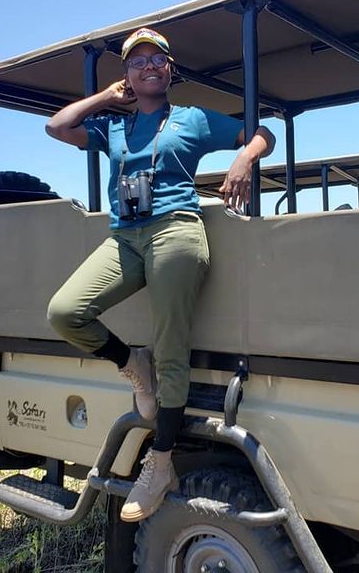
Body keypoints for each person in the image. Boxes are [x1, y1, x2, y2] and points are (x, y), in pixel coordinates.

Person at [45, 27, 275, 522]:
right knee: (65, 311)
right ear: (127, 74)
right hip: (125, 236)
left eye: (157, 59)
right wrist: (106, 96)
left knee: (173, 347)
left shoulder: (191, 120)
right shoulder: (113, 128)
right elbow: (58, 127)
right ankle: (133, 364)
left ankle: (161, 461)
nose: (149, 66)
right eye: (137, 61)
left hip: (175, 230)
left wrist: (242, 159)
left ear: (171, 69)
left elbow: (263, 133)